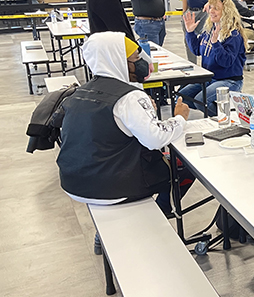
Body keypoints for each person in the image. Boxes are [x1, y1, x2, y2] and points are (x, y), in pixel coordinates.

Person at [56, 31, 191, 213]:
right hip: (111, 188)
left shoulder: (80, 92)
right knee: (182, 166)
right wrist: (180, 118)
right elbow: (155, 139)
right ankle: (160, 214)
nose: (142, 63)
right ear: (117, 60)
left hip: (73, 182)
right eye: (136, 58)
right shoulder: (129, 97)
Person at [180, 0, 247, 116]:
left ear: (226, 12)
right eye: (210, 7)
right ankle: (218, 112)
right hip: (210, 78)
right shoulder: (210, 29)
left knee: (201, 100)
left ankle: (225, 118)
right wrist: (190, 33)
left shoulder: (234, 34)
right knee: (182, 96)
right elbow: (196, 50)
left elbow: (226, 62)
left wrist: (216, 44)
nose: (211, 11)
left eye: (216, 8)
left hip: (229, 80)